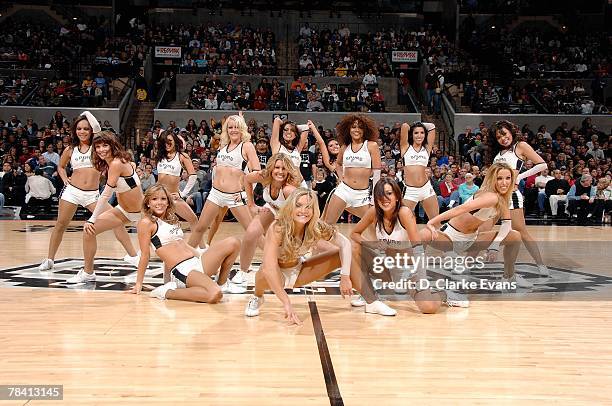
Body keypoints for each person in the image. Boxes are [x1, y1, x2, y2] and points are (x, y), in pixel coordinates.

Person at [350, 178, 468, 315]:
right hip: (388, 268)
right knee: (354, 247)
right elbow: (354, 234)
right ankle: (369, 295)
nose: (384, 198)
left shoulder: (404, 213)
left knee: (428, 307)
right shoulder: (374, 213)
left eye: (389, 193)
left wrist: (421, 279)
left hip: (409, 272)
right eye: (380, 195)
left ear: (397, 196)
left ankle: (445, 294)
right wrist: (373, 244)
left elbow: (418, 249)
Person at [39, 112, 137, 272]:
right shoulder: (71, 149)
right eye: (79, 128)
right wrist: (65, 179)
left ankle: (133, 256)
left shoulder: (97, 147)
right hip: (71, 192)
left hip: (93, 195)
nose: (82, 131)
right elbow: (61, 167)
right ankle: (49, 259)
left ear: (91, 130)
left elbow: (98, 128)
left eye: (86, 128)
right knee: (60, 225)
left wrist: (85, 114)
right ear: (74, 130)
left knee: (116, 222)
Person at [244, 188, 354, 325]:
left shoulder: (316, 227)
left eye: (308, 207)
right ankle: (257, 296)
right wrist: (287, 302)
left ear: (314, 210)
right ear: (290, 207)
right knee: (263, 272)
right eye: (298, 205)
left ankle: (370, 300)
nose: (303, 211)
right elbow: (269, 268)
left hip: (298, 270)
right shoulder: (278, 228)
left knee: (350, 254)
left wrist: (345, 276)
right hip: (276, 273)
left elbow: (345, 243)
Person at [421, 163, 532, 289]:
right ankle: (414, 275)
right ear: (492, 179)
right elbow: (461, 208)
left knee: (515, 236)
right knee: (423, 234)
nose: (504, 183)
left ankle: (509, 276)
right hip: (451, 237)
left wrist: (495, 245)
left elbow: (507, 224)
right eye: (499, 178)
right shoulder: (490, 196)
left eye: (508, 178)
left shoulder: (503, 197)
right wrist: (432, 222)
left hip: (472, 239)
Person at [129, 184, 240, 302]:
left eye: (163, 199)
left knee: (234, 242)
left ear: (168, 202)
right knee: (215, 294)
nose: (159, 202)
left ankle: (222, 283)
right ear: (148, 203)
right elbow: (145, 255)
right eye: (154, 199)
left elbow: (182, 244)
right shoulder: (146, 223)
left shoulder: (171, 218)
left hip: (196, 262)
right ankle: (167, 292)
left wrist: (202, 257)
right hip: (182, 270)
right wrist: (138, 283)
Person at [67, 131, 144, 283]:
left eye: (105, 145)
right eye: (98, 147)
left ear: (112, 145)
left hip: (141, 213)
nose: (101, 149)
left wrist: (93, 217)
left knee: (167, 244)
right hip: (123, 211)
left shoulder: (116, 163)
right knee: (89, 231)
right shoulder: (112, 162)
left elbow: (106, 195)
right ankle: (88, 273)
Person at [187, 114, 260, 256]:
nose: (233, 130)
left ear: (242, 129)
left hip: (234, 196)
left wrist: (245, 194)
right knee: (200, 227)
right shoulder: (223, 145)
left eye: (237, 127)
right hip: (215, 193)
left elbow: (257, 172)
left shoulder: (247, 146)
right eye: (230, 127)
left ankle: (276, 259)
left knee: (252, 231)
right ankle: (182, 259)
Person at [487, 120, 549, 276]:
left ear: (511, 132)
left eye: (505, 134)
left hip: (510, 196)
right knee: (482, 228)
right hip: (494, 197)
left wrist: (520, 176)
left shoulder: (520, 146)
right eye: (499, 136)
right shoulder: (498, 153)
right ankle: (467, 264)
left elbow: (542, 165)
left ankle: (540, 264)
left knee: (520, 232)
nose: (502, 138)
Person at [236, 153, 302, 285]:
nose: (280, 172)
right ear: (271, 168)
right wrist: (251, 205)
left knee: (282, 251)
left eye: (284, 168)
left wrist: (285, 222)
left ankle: (298, 261)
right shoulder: (264, 175)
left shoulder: (289, 189)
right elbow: (247, 179)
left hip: (292, 214)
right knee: (251, 233)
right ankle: (243, 271)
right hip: (272, 207)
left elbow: (303, 209)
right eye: (277, 167)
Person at [323, 114, 381, 225]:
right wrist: (341, 178)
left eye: (360, 127)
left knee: (373, 225)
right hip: (344, 191)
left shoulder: (371, 146)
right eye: (353, 127)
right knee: (328, 224)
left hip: (362, 194)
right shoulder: (345, 147)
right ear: (348, 129)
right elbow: (338, 164)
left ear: (365, 130)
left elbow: (377, 173)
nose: (357, 130)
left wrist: (375, 197)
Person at [155, 130, 200, 237]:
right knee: (151, 223)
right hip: (159, 195)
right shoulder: (160, 155)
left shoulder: (182, 156)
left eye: (170, 141)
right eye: (164, 142)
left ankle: (200, 247)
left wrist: (182, 194)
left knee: (193, 219)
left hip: (173, 196)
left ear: (175, 141)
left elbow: (193, 175)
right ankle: (143, 250)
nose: (167, 144)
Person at [400, 121, 438, 220]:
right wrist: (415, 124)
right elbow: (405, 125)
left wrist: (419, 124)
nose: (419, 135)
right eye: (416, 133)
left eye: (422, 133)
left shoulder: (427, 148)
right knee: (402, 223)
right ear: (411, 135)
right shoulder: (405, 147)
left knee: (435, 221)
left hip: (426, 189)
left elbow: (432, 126)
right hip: (410, 191)